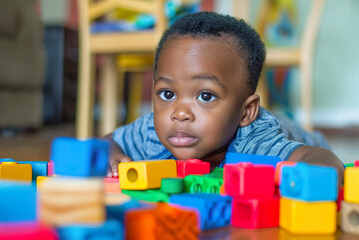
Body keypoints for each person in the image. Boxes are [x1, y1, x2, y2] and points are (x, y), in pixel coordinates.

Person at [105, 11, 344, 185]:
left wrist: (300, 176)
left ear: (246, 111)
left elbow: (324, 159)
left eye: (205, 96)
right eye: (167, 94)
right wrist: (113, 156)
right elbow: (107, 141)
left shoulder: (255, 144)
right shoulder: (152, 133)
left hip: (301, 137)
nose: (179, 113)